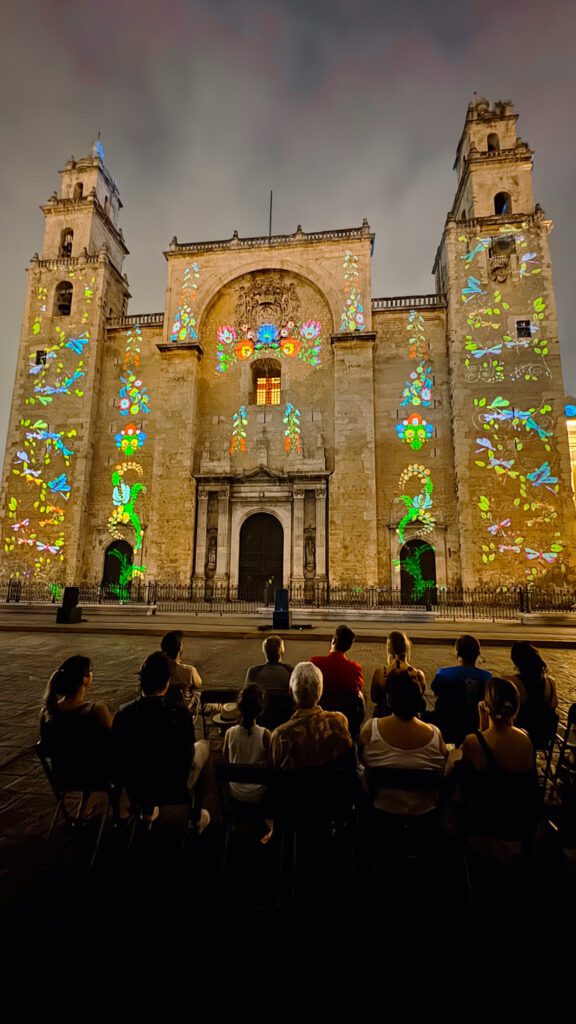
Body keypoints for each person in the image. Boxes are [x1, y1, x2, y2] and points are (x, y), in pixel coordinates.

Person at [113, 651, 209, 827]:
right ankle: (195, 817)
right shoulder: (179, 713)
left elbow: (119, 756)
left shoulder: (123, 714)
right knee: (203, 746)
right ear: (167, 682)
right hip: (173, 785)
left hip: (138, 786)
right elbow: (188, 752)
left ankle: (148, 810)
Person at [460, 676, 539, 843]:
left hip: (486, 821)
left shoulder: (473, 741)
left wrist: (481, 725)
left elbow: (466, 778)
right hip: (518, 820)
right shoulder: (526, 739)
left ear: (486, 707)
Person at [359, 671, 447, 814]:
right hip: (424, 817)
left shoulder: (371, 729)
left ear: (389, 700)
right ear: (419, 702)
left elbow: (360, 759)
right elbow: (443, 767)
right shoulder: (435, 735)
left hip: (381, 813)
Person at [39, 655, 112, 798]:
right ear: (85, 680)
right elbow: (115, 740)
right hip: (96, 775)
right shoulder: (96, 711)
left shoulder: (47, 712)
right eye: (90, 671)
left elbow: (46, 745)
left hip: (64, 777)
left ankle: (83, 809)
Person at [270, 662, 353, 769]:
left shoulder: (280, 736)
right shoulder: (339, 722)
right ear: (320, 691)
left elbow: (272, 776)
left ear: (290, 692)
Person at [223, 683, 273, 842]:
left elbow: (226, 762)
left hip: (235, 791)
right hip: (258, 794)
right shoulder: (265, 735)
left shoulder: (230, 734)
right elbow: (272, 766)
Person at [430, 634, 492, 745]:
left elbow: (435, 691)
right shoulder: (487, 677)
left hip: (448, 723)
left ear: (457, 653)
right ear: (477, 654)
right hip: (474, 723)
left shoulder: (444, 674)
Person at [310, 624, 365, 736]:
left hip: (320, 722)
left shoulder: (316, 663)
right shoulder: (355, 668)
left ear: (334, 640)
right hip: (346, 723)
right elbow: (357, 689)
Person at [509, 641, 558, 749]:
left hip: (521, 735)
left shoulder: (513, 682)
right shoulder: (551, 682)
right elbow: (553, 706)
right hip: (543, 736)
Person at [370, 630, 426, 719]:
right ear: (406, 648)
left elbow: (374, 698)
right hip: (411, 720)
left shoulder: (381, 673)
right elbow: (419, 699)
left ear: (389, 649)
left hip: (385, 719)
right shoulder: (418, 674)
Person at [245, 634, 293, 729]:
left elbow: (246, 701)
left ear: (264, 651)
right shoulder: (291, 671)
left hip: (260, 722)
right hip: (284, 721)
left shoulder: (253, 672)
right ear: (282, 651)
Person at [160, 630, 202, 715]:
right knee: (218, 705)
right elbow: (198, 684)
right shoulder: (189, 671)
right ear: (180, 648)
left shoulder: (156, 671)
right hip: (186, 708)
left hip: (163, 709)